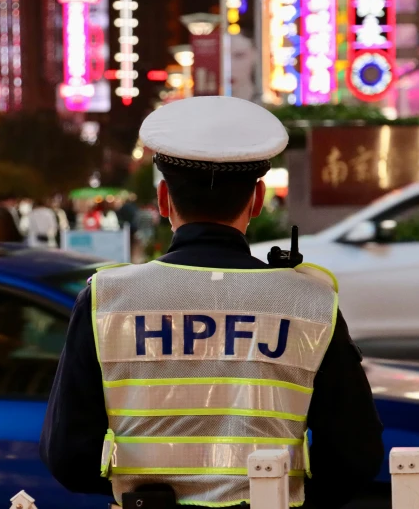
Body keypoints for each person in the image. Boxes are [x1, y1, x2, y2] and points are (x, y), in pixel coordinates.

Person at [40, 96, 384, 508]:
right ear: (257, 200)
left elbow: (67, 457)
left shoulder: (107, 299)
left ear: (164, 199)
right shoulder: (311, 303)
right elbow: (354, 457)